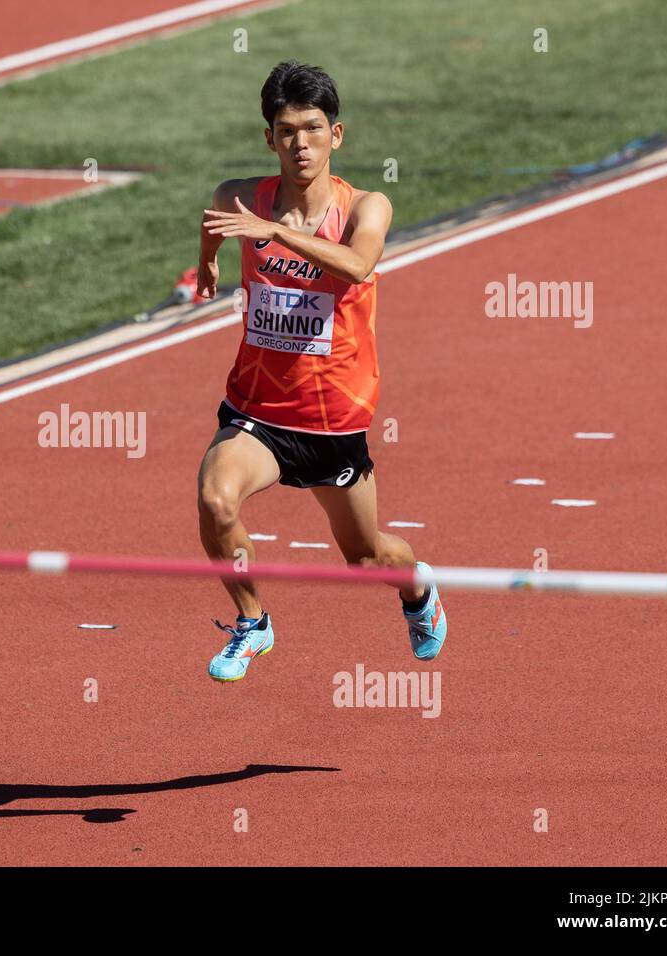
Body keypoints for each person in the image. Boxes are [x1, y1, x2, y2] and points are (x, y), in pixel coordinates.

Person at [196, 60, 447, 682]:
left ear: (337, 135)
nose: (299, 143)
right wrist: (208, 264)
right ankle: (252, 623)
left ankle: (416, 589)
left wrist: (273, 234)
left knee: (365, 557)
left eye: (312, 128)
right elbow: (214, 217)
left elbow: (357, 266)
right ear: (269, 139)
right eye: (286, 131)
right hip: (257, 411)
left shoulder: (368, 206)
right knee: (215, 499)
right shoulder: (241, 198)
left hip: (332, 420)